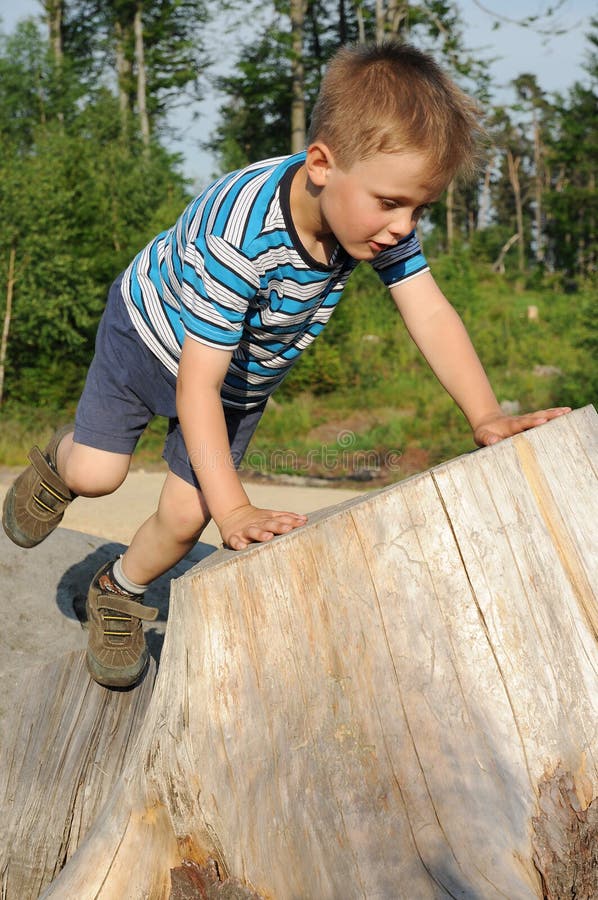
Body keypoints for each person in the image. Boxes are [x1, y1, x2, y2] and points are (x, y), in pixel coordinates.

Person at [2, 42, 569, 689]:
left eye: (419, 209)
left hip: (237, 376)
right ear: (323, 164)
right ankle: (61, 461)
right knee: (100, 474)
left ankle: (118, 589)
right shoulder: (240, 236)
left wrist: (487, 414)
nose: (402, 227)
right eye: (390, 203)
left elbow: (430, 313)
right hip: (151, 336)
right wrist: (237, 507)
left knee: (188, 517)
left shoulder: (370, 212)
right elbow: (195, 383)